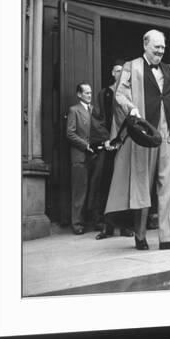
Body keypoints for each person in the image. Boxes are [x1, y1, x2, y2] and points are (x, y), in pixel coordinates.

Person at [105, 29, 170, 251]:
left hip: (169, 135)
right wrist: (131, 108)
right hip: (145, 135)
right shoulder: (131, 67)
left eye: (163, 47)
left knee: (168, 187)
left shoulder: (169, 70)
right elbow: (120, 94)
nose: (160, 51)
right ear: (145, 45)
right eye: (156, 47)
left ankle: (167, 237)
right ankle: (140, 235)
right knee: (141, 187)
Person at [88, 60, 134, 240]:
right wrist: (107, 139)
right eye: (117, 71)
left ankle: (125, 227)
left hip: (126, 144)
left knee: (125, 186)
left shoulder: (131, 95)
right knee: (107, 186)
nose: (120, 73)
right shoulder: (104, 94)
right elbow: (97, 119)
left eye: (123, 71)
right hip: (109, 147)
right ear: (112, 74)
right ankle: (106, 228)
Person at [66, 82, 94, 235]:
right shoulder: (74, 110)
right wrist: (85, 145)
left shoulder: (93, 110)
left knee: (92, 190)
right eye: (86, 93)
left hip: (93, 156)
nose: (89, 95)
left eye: (90, 93)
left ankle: (91, 221)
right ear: (79, 94)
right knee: (79, 191)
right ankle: (77, 224)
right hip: (80, 156)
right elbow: (70, 133)